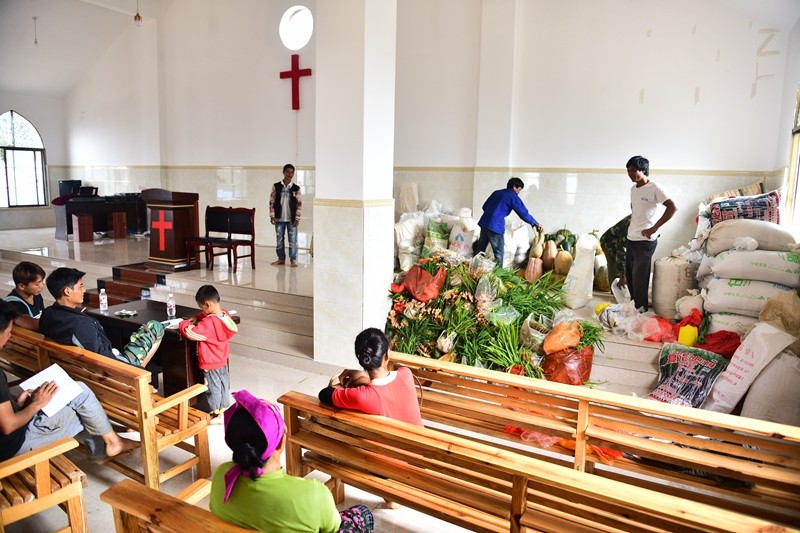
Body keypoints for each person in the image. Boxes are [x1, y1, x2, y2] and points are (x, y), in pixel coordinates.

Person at [209, 389, 374, 532]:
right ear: (281, 442)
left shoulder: (221, 477)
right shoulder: (314, 494)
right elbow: (333, 528)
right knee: (362, 514)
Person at [0, 300, 139, 462]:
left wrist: (19, 406)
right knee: (83, 399)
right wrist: (36, 404)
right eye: (8, 331)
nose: (9, 335)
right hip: (14, 446)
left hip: (10, 439)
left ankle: (106, 447)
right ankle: (112, 444)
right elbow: (8, 426)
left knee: (80, 398)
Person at [39, 267, 165, 368]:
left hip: (71, 367)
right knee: (156, 326)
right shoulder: (81, 324)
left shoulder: (48, 314)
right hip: (116, 370)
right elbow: (103, 360)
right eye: (81, 286)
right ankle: (138, 369)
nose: (84, 290)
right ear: (67, 291)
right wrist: (133, 371)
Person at [318, 328, 422, 427]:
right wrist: (363, 377)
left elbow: (324, 394)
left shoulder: (363, 396)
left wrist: (363, 376)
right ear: (386, 355)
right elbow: (386, 387)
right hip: (421, 442)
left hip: (385, 445)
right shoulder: (406, 373)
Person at [618, 156, 677, 311]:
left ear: (643, 170)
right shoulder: (633, 189)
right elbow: (636, 210)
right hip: (632, 238)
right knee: (630, 276)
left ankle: (641, 308)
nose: (630, 174)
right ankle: (634, 306)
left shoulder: (655, 188)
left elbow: (672, 207)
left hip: (645, 241)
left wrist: (654, 228)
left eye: (633, 170)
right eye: (628, 170)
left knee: (640, 277)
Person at [178, 285, 237, 420]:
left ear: (208, 304)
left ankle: (216, 413)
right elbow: (209, 316)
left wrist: (185, 323)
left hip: (210, 362)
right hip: (222, 358)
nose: (202, 310)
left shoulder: (208, 324)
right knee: (223, 383)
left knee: (213, 387)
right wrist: (198, 316)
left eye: (202, 307)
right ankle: (224, 409)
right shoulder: (225, 314)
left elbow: (191, 332)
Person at [473, 177, 544, 266]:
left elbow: (484, 206)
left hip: (484, 222)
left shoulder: (496, 193)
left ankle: (474, 268)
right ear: (514, 187)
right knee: (499, 252)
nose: (519, 192)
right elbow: (523, 213)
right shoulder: (512, 196)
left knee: (480, 249)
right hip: (495, 226)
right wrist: (535, 223)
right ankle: (497, 276)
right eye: (519, 189)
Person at [269, 163, 302, 268]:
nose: (289, 174)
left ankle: (293, 260)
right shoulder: (276, 186)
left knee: (293, 240)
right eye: (287, 172)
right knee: (279, 240)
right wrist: (272, 215)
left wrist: (297, 218)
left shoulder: (296, 188)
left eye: (292, 172)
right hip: (279, 218)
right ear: (283, 172)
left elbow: (299, 204)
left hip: (292, 219)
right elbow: (271, 202)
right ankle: (281, 259)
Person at [4, 261, 46, 331]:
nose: (41, 286)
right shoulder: (13, 304)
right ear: (21, 286)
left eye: (42, 282)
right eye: (37, 284)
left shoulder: (37, 295)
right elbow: (33, 324)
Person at [599, 215, 631, 285]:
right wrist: (623, 275)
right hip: (608, 242)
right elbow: (621, 251)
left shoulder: (644, 219)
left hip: (619, 241)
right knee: (614, 267)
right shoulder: (631, 225)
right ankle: (614, 292)